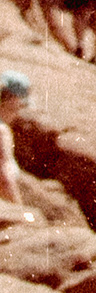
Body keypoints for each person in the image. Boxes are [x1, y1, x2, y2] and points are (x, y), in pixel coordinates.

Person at [0, 64, 39, 221]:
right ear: (10, 99)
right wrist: (20, 214)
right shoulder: (2, 131)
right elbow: (5, 177)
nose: (22, 108)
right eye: (21, 101)